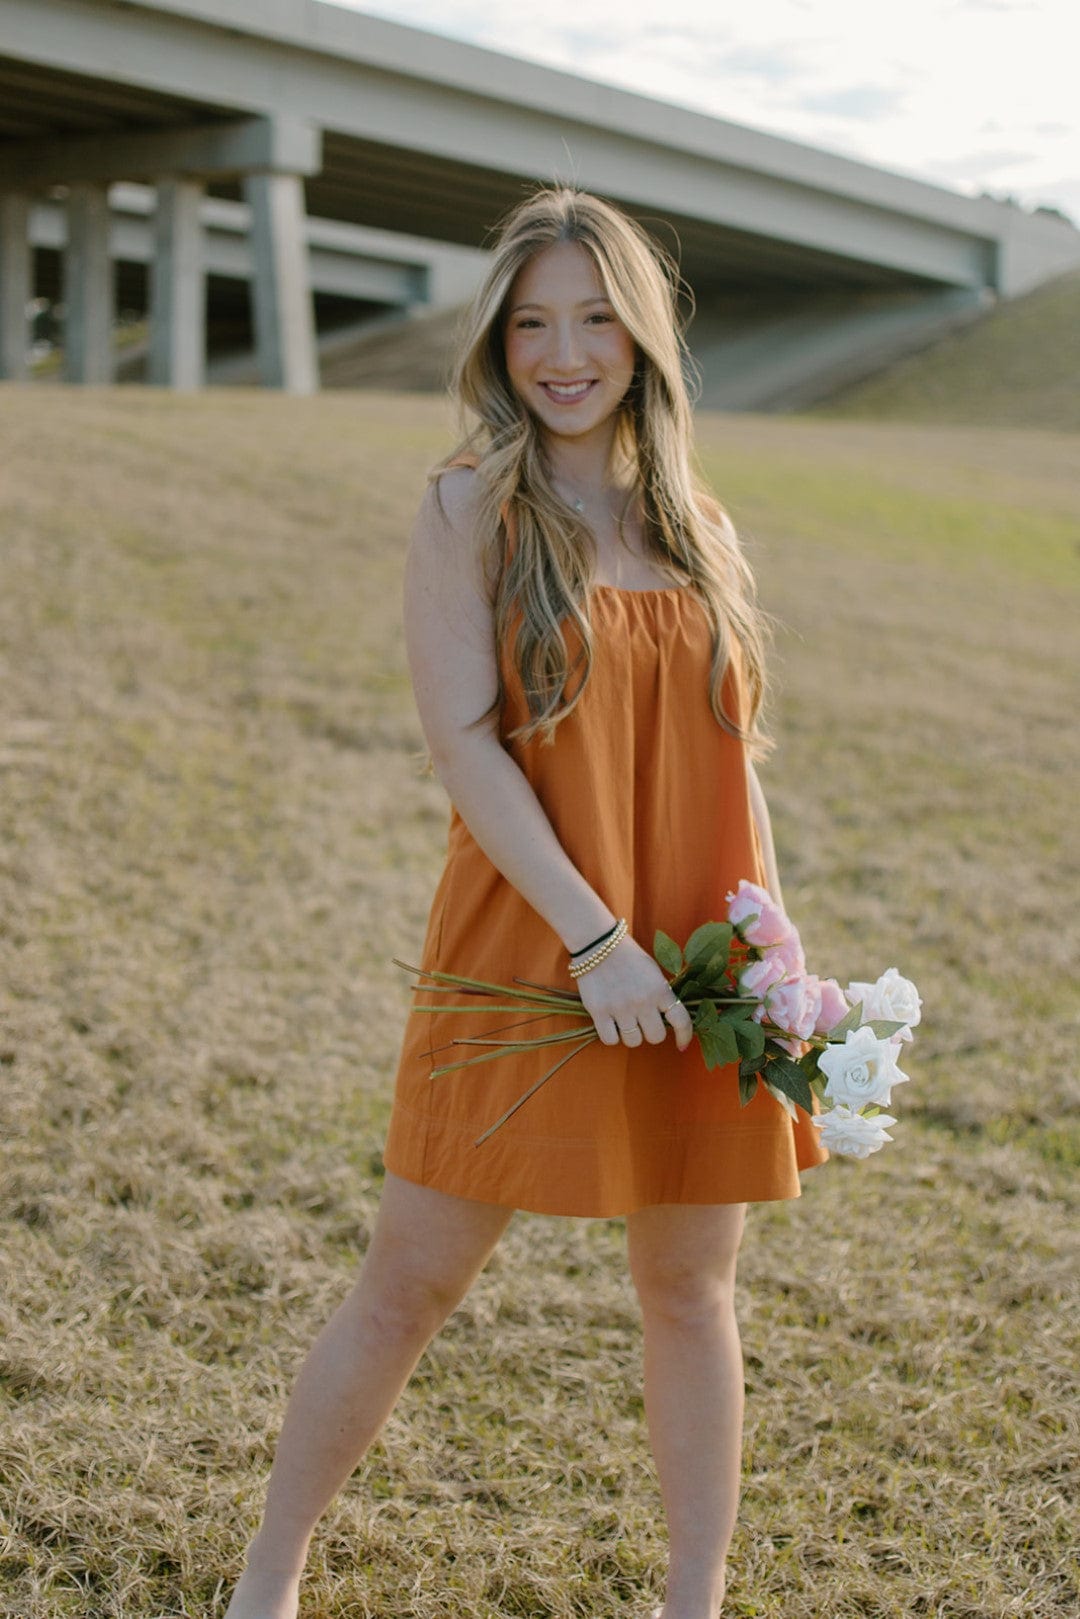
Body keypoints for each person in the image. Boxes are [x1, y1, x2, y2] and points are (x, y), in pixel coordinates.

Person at [224, 186, 825, 1619]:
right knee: (409, 1281)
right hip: (534, 942)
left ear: (645, 336)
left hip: (697, 968)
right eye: (533, 322)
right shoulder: (467, 505)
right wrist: (597, 942)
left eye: (596, 318)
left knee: (691, 1290)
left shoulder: (700, 527)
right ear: (498, 339)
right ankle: (267, 1579)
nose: (565, 352)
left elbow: (734, 763)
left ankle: (693, 1600)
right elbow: (465, 742)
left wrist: (779, 958)